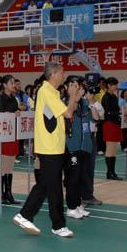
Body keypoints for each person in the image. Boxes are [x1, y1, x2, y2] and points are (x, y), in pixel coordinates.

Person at [13, 61, 81, 237]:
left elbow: (67, 112)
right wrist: (73, 95)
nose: (64, 76)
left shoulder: (53, 92)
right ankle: (58, 225)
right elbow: (68, 113)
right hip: (49, 147)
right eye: (62, 73)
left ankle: (25, 215)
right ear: (53, 74)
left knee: (45, 184)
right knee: (54, 188)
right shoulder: (46, 91)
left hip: (55, 146)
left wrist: (74, 98)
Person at [64, 79, 93, 220]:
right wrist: (75, 98)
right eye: (74, 86)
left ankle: (77, 205)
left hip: (83, 146)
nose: (78, 89)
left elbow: (94, 117)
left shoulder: (83, 103)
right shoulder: (65, 102)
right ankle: (71, 207)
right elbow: (70, 112)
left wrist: (90, 101)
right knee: (72, 179)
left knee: (81, 177)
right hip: (71, 146)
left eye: (79, 87)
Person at [0, 75, 20, 205]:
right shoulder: (1, 99)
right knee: (3, 166)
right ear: (4, 85)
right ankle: (1, 194)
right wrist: (12, 115)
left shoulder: (14, 99)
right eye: (11, 83)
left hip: (13, 134)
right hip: (4, 135)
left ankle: (9, 193)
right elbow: (0, 115)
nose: (13, 85)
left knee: (10, 166)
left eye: (14, 82)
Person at [81, 88, 104, 206]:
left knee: (89, 168)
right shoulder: (77, 104)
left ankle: (88, 195)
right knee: (78, 169)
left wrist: (90, 103)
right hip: (79, 138)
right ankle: (79, 195)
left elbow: (97, 117)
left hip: (90, 136)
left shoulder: (95, 105)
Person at [101, 77, 122, 180]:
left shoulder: (114, 97)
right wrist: (119, 112)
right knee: (110, 149)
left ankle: (112, 172)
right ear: (109, 85)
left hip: (115, 123)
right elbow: (107, 112)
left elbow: (115, 109)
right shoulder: (106, 97)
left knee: (114, 149)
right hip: (109, 124)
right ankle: (109, 172)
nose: (116, 87)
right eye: (114, 85)